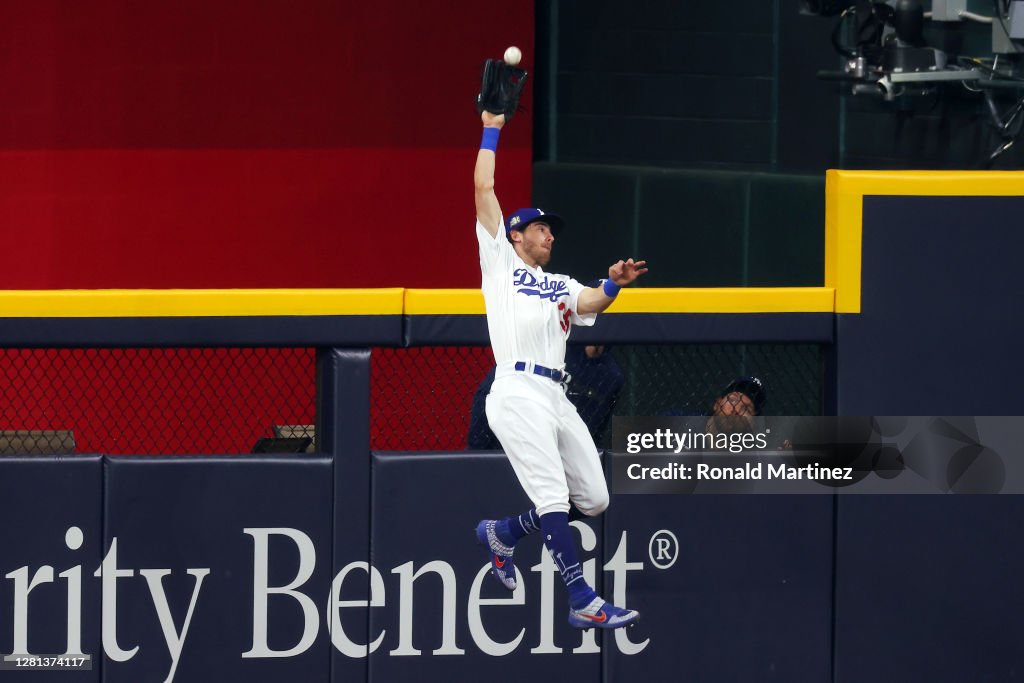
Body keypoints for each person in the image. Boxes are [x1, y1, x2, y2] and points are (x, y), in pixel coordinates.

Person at [472, 109, 647, 630]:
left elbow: (593, 300)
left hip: (556, 395)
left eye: (551, 229)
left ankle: (503, 532)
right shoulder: (501, 264)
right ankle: (581, 598)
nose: (549, 235)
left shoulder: (560, 281)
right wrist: (492, 128)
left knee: (594, 498)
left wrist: (613, 283)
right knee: (551, 494)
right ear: (516, 235)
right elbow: (484, 186)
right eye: (540, 228)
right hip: (517, 389)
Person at [467, 343, 625, 450]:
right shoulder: (548, 350)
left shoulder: (612, 376)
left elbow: (596, 432)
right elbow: (487, 397)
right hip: (517, 445)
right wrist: (477, 451)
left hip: (565, 457)